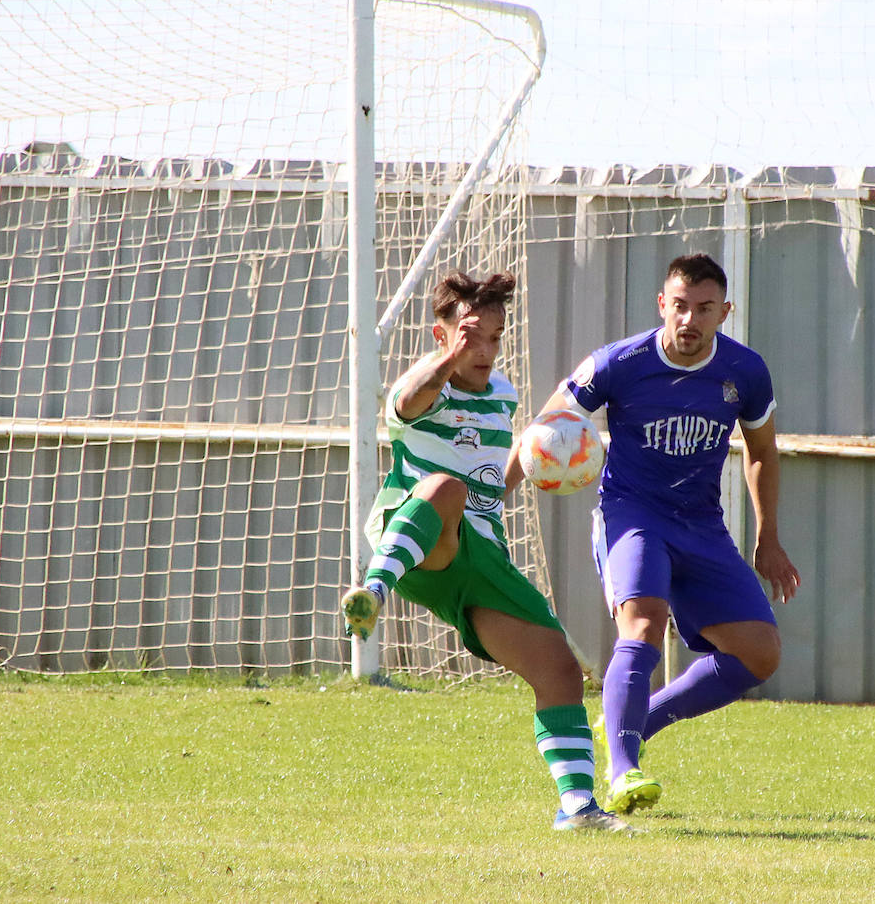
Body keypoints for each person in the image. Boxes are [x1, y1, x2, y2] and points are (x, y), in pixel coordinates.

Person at [341, 270, 631, 832]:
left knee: (559, 670)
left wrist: (539, 455)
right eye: (473, 337)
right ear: (441, 334)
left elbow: (490, 484)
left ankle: (577, 808)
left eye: (495, 338)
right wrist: (452, 356)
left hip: (481, 552)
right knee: (445, 489)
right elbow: (403, 401)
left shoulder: (503, 394)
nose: (486, 350)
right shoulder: (429, 385)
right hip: (418, 536)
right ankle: (374, 591)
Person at [523, 252, 801, 815]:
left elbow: (763, 452)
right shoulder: (618, 363)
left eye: (703, 309)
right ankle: (623, 769)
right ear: (662, 305)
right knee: (645, 623)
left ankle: (636, 722)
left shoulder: (745, 372)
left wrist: (768, 537)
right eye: (679, 306)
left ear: (725, 311)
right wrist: (503, 485)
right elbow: (547, 425)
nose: (689, 320)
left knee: (760, 653)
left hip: (700, 521)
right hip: (632, 513)